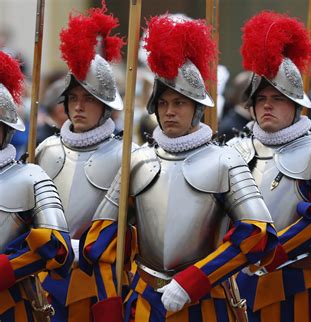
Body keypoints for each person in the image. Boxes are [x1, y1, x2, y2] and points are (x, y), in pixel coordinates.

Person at [81, 14, 277, 322]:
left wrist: (196, 278)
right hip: (144, 302)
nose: (170, 111)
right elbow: (100, 240)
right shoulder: (138, 160)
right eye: (163, 104)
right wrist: (109, 305)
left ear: (198, 108)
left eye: (180, 103)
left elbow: (258, 233)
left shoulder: (225, 160)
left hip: (206, 300)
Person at [230, 12, 311, 322]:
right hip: (238, 283)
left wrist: (272, 248)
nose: (267, 105)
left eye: (277, 97)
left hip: (299, 286)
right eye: (261, 98)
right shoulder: (234, 150)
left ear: (297, 105)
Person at [35, 5, 134, 321]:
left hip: (98, 282)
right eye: (73, 98)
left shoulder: (127, 155)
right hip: (45, 274)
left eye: (89, 99)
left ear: (105, 106)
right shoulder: (47, 149)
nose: (78, 107)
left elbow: (136, 226)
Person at [0, 50, 72, 321]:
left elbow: (58, 248)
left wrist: (9, 267)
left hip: (11, 304)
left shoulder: (31, 177)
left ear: (5, 130)